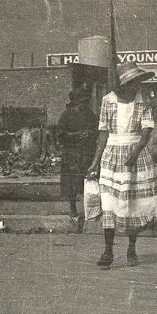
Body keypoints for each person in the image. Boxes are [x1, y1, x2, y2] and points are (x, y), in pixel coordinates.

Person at [86, 62, 157, 268]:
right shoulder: (107, 100)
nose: (135, 86)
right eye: (132, 82)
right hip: (111, 156)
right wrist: (95, 163)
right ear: (123, 83)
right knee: (109, 203)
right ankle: (108, 251)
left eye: (138, 81)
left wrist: (136, 152)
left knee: (133, 203)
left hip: (136, 154)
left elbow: (147, 129)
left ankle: (132, 248)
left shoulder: (144, 99)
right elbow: (103, 132)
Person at [58, 88, 98, 218]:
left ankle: (90, 208)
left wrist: (89, 134)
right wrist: (76, 135)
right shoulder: (66, 116)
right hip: (71, 152)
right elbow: (60, 135)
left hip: (87, 151)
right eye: (81, 103)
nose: (83, 105)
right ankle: (72, 206)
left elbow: (97, 130)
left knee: (88, 180)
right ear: (75, 103)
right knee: (71, 181)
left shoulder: (90, 115)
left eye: (85, 102)